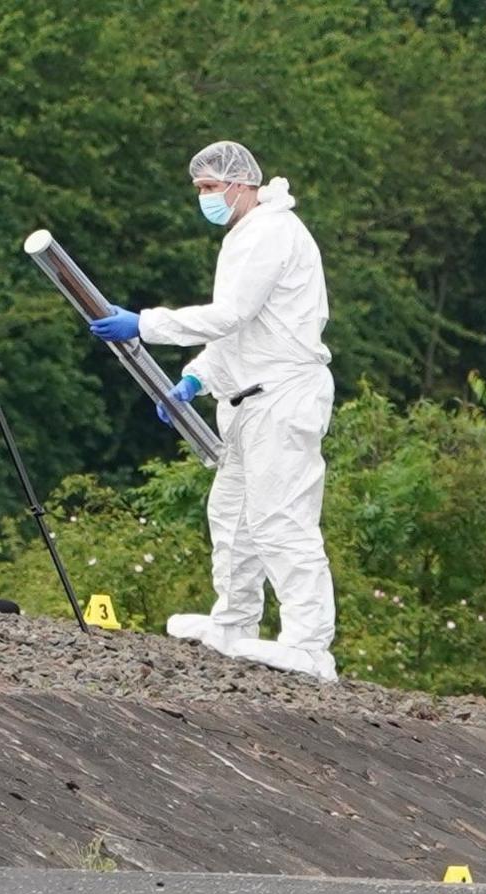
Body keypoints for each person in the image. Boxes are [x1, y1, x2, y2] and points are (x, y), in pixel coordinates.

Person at [88, 140, 337, 682]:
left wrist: (146, 325)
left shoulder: (270, 232)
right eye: (199, 189)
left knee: (281, 519)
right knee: (232, 515)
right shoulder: (246, 233)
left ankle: (310, 644)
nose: (204, 198)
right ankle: (234, 621)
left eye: (208, 188)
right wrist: (199, 377)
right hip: (248, 398)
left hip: (283, 396)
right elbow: (249, 330)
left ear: (241, 183)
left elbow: (230, 315)